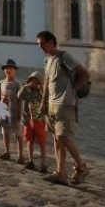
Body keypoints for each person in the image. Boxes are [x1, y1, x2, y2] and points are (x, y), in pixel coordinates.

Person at [37, 30, 91, 185]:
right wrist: (43, 102)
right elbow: (47, 83)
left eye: (42, 44)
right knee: (56, 139)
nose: (40, 47)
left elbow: (85, 74)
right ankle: (61, 173)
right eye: (39, 45)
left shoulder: (64, 56)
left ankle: (81, 166)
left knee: (63, 137)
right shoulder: (47, 61)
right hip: (52, 104)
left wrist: (73, 90)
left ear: (51, 42)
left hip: (65, 104)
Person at [18, 71, 48, 173]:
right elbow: (19, 96)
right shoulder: (26, 90)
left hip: (39, 120)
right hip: (28, 119)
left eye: (36, 82)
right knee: (29, 140)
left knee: (42, 142)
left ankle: (43, 163)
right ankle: (30, 161)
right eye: (32, 81)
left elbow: (46, 104)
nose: (34, 84)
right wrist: (26, 86)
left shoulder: (42, 92)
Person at [0, 58, 25, 163]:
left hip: (14, 112)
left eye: (11, 68)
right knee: (5, 133)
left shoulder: (17, 84)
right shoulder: (1, 83)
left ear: (15, 70)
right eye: (7, 68)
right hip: (4, 112)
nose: (8, 70)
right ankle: (7, 152)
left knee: (18, 134)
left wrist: (20, 113)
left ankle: (21, 155)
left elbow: (20, 100)